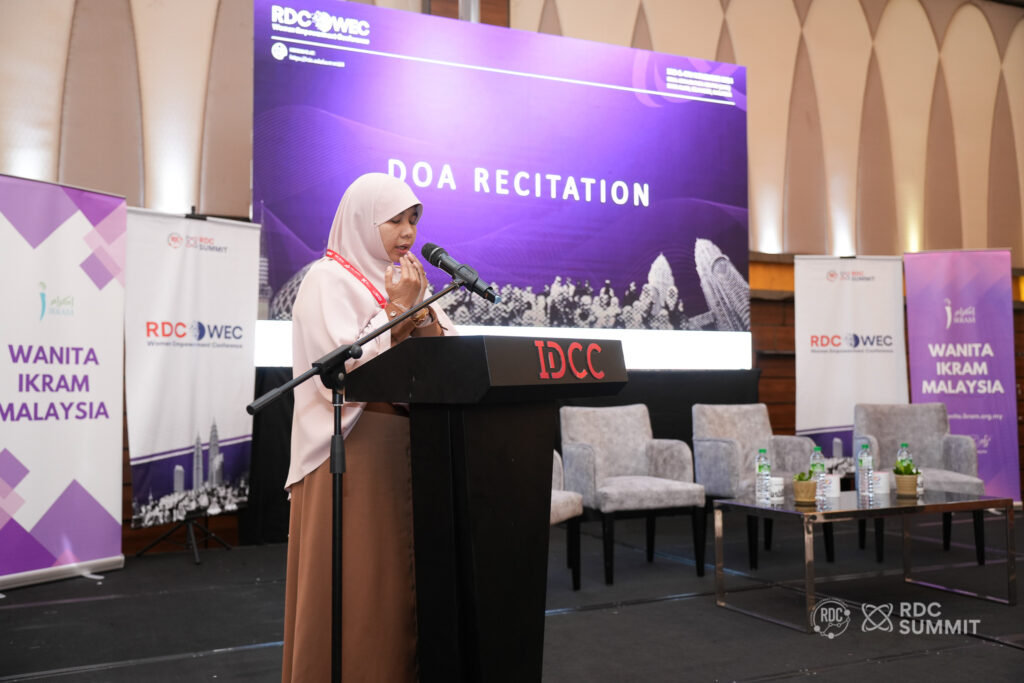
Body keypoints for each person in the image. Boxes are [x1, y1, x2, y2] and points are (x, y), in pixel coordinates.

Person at [281, 173, 455, 682]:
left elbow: (446, 358)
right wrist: (398, 310)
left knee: (401, 582)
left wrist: (419, 312)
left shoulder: (409, 280)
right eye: (394, 220)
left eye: (413, 220)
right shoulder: (326, 280)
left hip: (410, 448)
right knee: (360, 582)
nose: (408, 232)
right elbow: (341, 373)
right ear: (362, 221)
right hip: (351, 452)